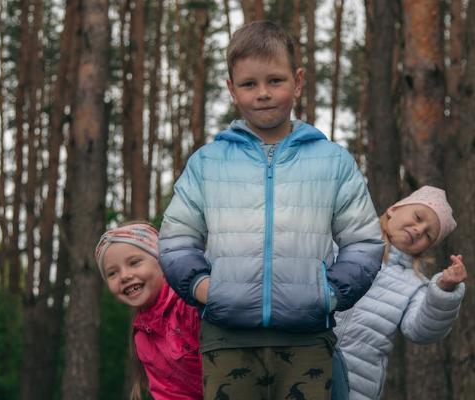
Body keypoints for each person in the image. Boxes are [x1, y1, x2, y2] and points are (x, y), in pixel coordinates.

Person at [158, 20, 384, 400]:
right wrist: (203, 287)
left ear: (297, 81)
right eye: (249, 84)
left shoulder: (333, 161)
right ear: (232, 89)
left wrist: (328, 293)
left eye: (275, 81)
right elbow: (176, 240)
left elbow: (364, 241)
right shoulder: (207, 163)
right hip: (226, 340)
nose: (262, 93)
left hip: (307, 340)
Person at [332, 186, 467, 400]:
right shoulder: (341, 242)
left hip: (355, 387)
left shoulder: (415, 286)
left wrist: (444, 291)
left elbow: (420, 331)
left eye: (428, 234)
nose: (418, 230)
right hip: (299, 362)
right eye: (418, 217)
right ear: (394, 208)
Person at [95, 222, 203, 400]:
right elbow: (169, 393)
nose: (125, 276)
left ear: (162, 261)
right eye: (112, 273)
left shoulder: (189, 306)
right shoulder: (142, 337)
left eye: (134, 262)